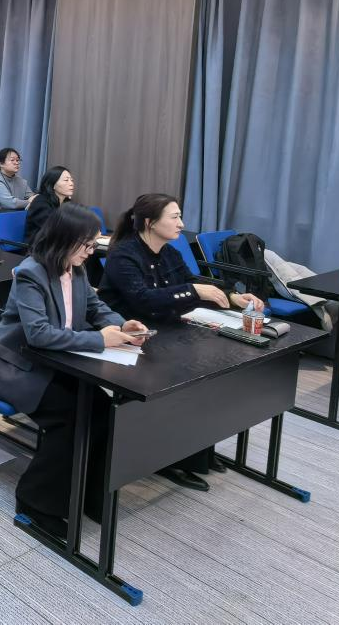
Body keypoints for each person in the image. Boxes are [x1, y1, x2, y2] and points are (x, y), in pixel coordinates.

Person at [0, 204, 149, 539]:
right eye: (87, 244)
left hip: (57, 362)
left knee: (104, 411)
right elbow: (38, 334)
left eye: (93, 244)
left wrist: (122, 325)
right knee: (71, 417)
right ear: (65, 239)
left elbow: (95, 307)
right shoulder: (31, 273)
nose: (91, 251)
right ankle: (34, 502)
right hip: (17, 365)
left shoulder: (77, 270)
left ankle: (88, 493)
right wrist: (100, 339)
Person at [97, 192, 265, 493]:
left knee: (211, 369)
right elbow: (143, 300)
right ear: (150, 222)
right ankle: (170, 457)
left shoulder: (169, 252)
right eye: (174, 217)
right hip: (133, 337)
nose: (181, 224)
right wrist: (193, 291)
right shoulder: (124, 255)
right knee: (182, 375)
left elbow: (192, 279)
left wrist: (232, 296)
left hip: (169, 329)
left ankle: (196, 450)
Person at [25, 166, 75, 243]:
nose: (71, 183)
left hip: (59, 243)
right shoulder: (40, 202)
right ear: (53, 184)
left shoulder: (66, 203)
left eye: (71, 180)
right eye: (66, 180)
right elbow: (53, 229)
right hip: (41, 246)